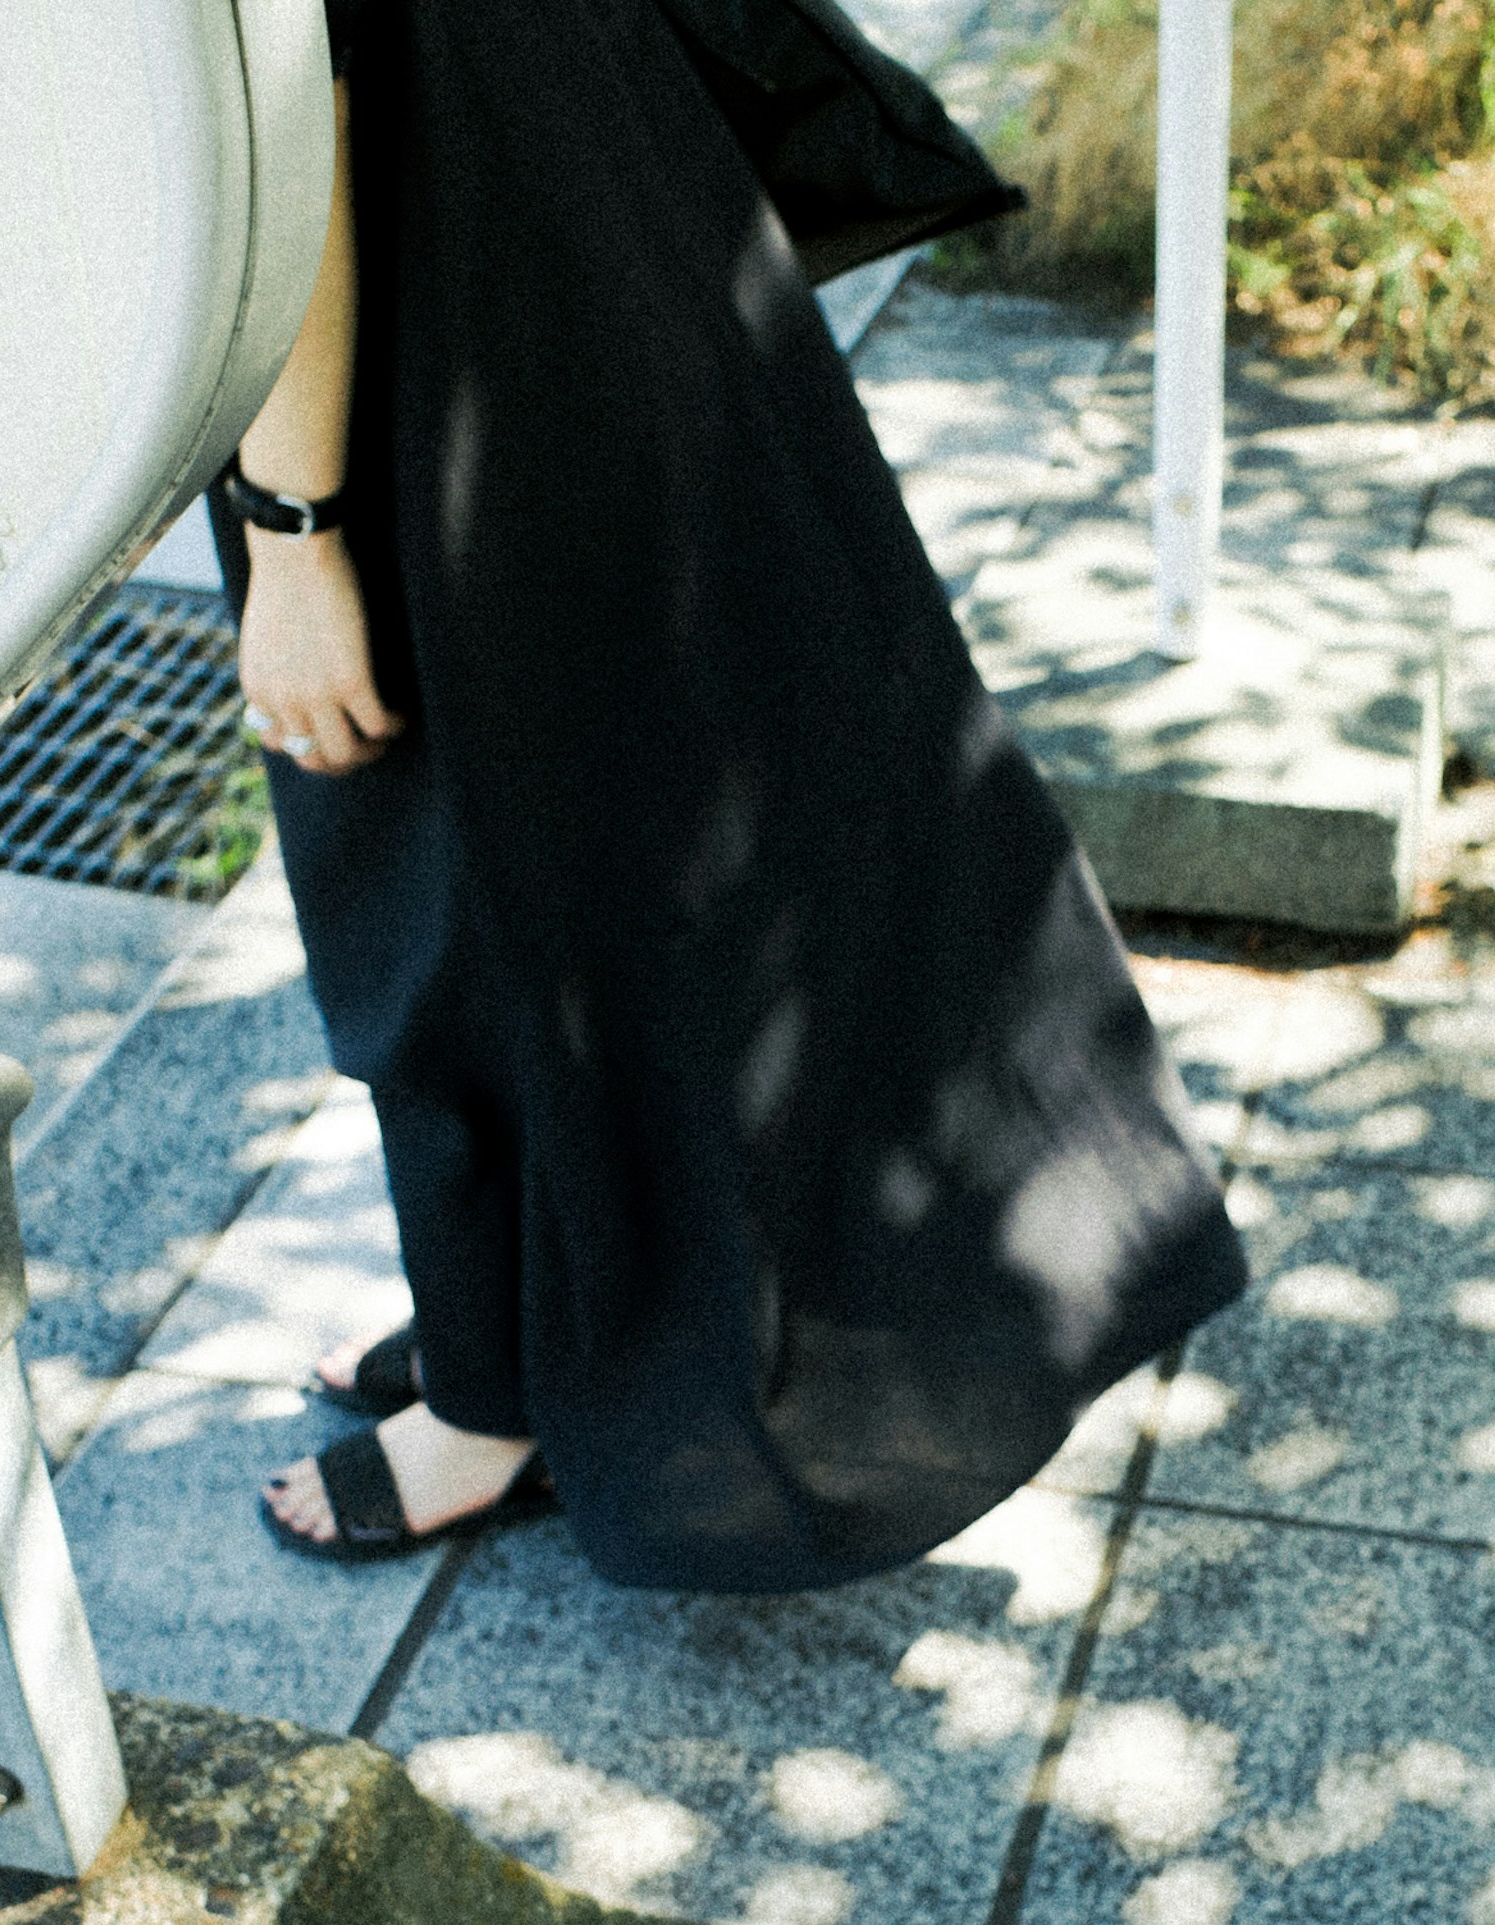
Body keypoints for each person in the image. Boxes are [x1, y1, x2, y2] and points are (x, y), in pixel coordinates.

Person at [219, 0, 1246, 1596]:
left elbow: (288, 116)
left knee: (430, 875)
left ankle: (496, 1408)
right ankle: (531, 1320)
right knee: (620, 823)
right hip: (579, 200)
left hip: (435, 306)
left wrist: (295, 530)